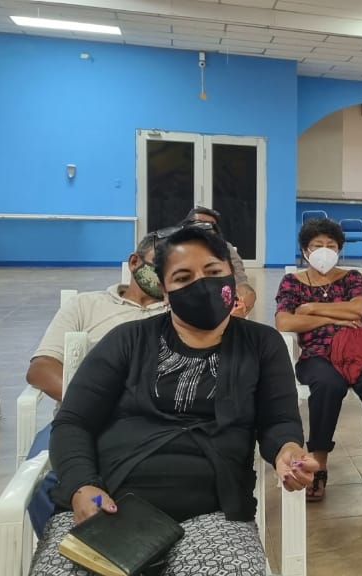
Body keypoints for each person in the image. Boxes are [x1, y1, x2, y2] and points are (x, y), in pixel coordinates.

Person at [32, 224, 316, 576]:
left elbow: (279, 421)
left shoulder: (261, 344)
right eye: (183, 277)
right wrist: (82, 486)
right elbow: (73, 421)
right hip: (108, 504)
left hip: (213, 514)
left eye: (212, 271)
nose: (202, 285)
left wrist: (287, 450)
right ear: (164, 292)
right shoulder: (128, 340)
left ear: (231, 277)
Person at [23, 233, 171, 535]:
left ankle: (133, 544)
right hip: (77, 420)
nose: (165, 276)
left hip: (149, 422)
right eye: (159, 266)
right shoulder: (86, 305)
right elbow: (42, 368)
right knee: (41, 483)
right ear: (135, 262)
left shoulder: (178, 313)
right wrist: (90, 403)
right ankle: (72, 545)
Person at [275, 217, 362, 502]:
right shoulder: (292, 282)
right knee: (328, 386)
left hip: (357, 353)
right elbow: (284, 321)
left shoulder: (351, 277)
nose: (324, 251)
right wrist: (332, 317)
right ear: (305, 250)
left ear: (339, 249)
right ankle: (319, 464)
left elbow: (358, 309)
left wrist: (311, 309)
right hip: (316, 355)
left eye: (331, 245)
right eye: (317, 245)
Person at [185, 207, 255, 318]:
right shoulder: (174, 249)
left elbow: (241, 283)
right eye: (200, 223)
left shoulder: (226, 248)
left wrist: (246, 299)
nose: (206, 228)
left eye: (212, 225)